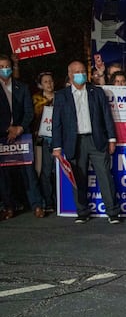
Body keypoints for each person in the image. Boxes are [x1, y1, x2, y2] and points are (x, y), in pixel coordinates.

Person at [52, 60, 121, 224]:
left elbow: (106, 117)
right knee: (78, 178)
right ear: (69, 74)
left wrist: (112, 139)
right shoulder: (61, 96)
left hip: (96, 140)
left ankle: (113, 212)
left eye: (83, 71)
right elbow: (57, 123)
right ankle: (82, 212)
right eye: (76, 71)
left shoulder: (96, 92)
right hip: (74, 142)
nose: (80, 74)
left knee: (105, 176)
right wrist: (57, 146)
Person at [0, 54, 45, 219]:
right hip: (2, 136)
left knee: (29, 172)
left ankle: (37, 205)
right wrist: (7, 129)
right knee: (4, 175)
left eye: (7, 66)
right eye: (1, 66)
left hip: (22, 135)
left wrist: (19, 128)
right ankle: (8, 207)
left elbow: (29, 112)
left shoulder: (22, 87)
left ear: (11, 68)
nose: (5, 69)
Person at [32, 71, 56, 212]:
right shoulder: (36, 99)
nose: (49, 84)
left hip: (59, 139)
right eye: (46, 81)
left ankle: (61, 200)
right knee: (44, 171)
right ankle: (48, 201)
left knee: (58, 171)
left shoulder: (60, 97)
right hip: (42, 140)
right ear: (40, 85)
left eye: (51, 81)